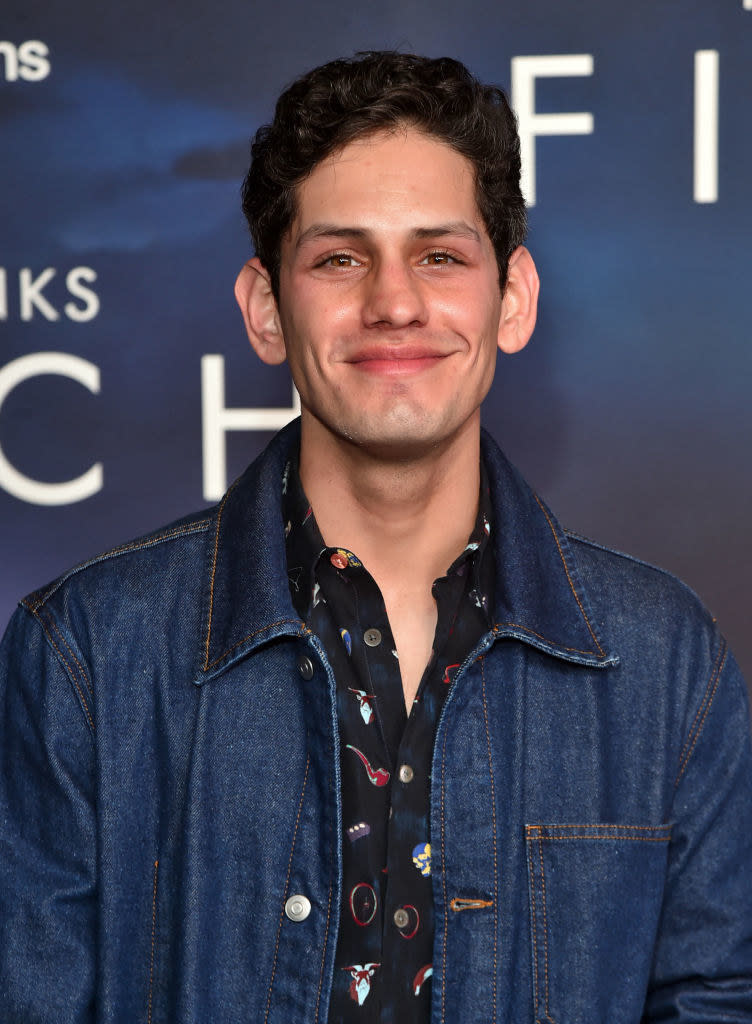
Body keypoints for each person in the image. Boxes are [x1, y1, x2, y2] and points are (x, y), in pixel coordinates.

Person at [1, 51, 751, 1024]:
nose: (393, 302)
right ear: (267, 309)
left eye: (438, 255)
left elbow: (716, 998)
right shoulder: (87, 656)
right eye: (338, 257)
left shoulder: (663, 659)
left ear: (510, 298)